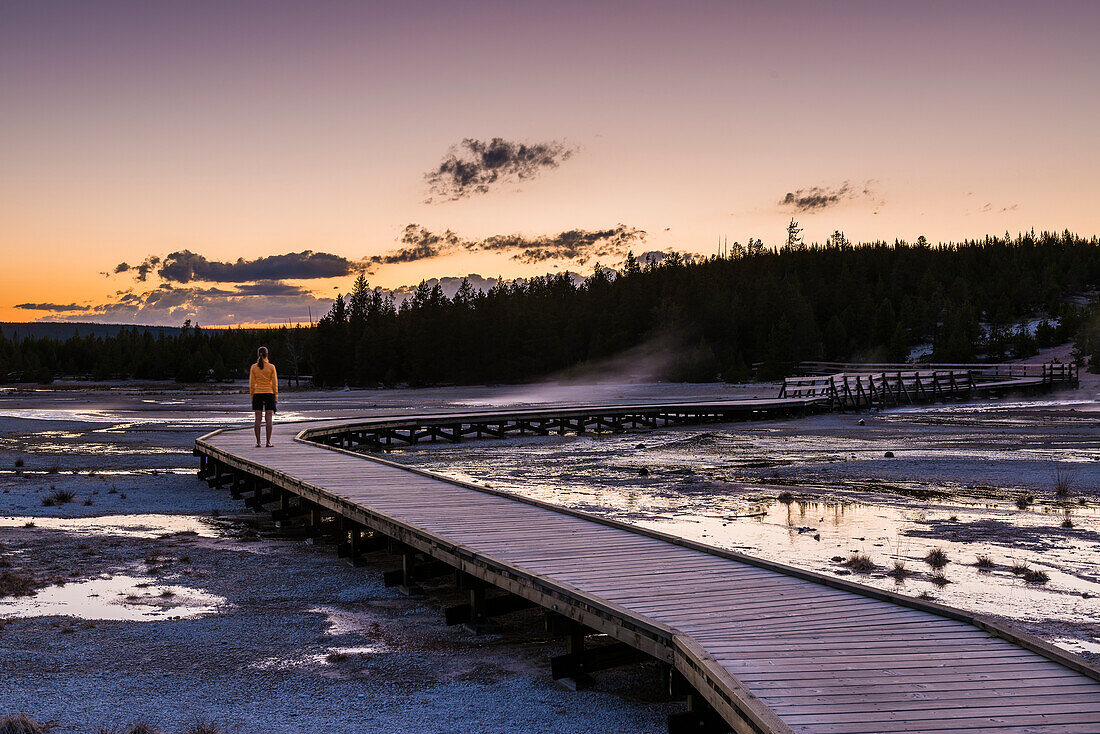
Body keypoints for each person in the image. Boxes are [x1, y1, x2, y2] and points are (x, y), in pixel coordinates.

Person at [249, 346, 277, 447]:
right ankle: (268, 442)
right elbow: (274, 384)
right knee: (268, 419)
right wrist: (275, 397)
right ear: (267, 355)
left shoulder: (253, 367)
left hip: (257, 393)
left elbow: (252, 384)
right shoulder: (271, 367)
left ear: (258, 355)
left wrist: (252, 397)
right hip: (269, 393)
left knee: (258, 419)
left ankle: (258, 442)